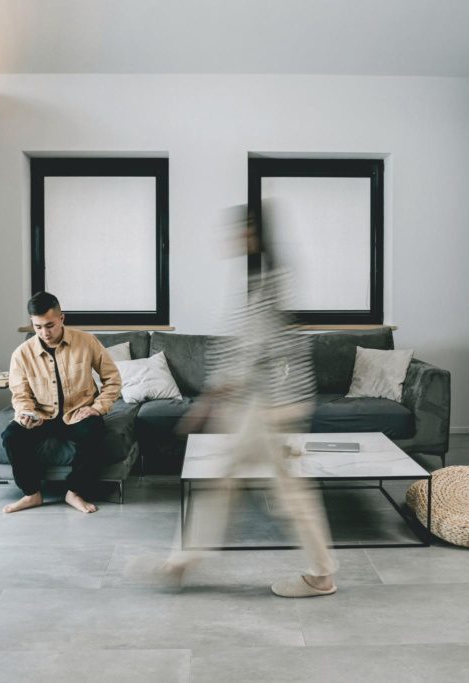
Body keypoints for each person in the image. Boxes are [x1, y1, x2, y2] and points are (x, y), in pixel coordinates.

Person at [165, 203, 338, 598]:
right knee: (231, 481)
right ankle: (182, 560)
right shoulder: (264, 279)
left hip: (272, 406)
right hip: (267, 404)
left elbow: (249, 351)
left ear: (256, 234)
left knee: (278, 491)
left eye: (240, 229)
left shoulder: (270, 283)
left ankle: (321, 575)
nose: (232, 237)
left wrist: (208, 401)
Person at [1, 291, 122, 514]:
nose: (44, 333)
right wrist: (25, 413)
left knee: (95, 432)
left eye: (50, 325)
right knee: (11, 436)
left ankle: (74, 492)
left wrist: (97, 408)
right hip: (41, 416)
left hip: (78, 414)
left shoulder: (87, 342)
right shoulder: (21, 354)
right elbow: (20, 394)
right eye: (38, 327)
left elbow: (113, 379)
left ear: (61, 318)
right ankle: (31, 494)